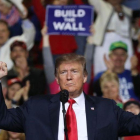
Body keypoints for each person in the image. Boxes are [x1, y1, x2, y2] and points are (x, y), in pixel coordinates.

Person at [1, 54, 140, 139]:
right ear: (56, 78)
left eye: (74, 71)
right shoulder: (36, 107)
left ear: (85, 76)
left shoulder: (106, 108)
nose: (69, 77)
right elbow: (3, 119)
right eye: (63, 72)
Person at [87, 0, 133, 75]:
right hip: (105, 40)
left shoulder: (127, 10)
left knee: (127, 66)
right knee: (103, 64)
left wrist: (120, 11)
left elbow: (128, 27)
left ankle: (125, 85)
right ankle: (100, 85)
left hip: (124, 41)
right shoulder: (102, 5)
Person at [0, 0, 35, 70]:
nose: (0, 34)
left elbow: (29, 36)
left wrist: (25, 19)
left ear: (8, 32)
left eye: (3, 31)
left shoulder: (15, 42)